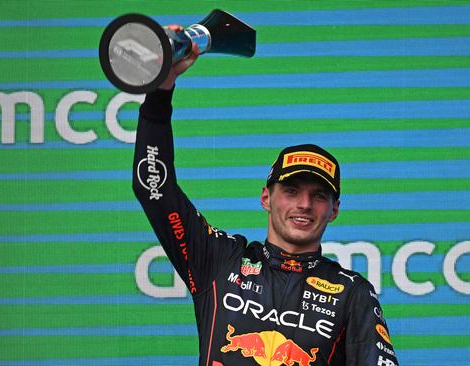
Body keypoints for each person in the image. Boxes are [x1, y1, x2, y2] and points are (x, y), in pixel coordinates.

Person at [133, 26, 399, 366]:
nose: (304, 205)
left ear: (334, 210)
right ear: (265, 198)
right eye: (290, 191)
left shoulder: (353, 294)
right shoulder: (218, 260)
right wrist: (160, 90)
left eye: (318, 196)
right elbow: (154, 188)